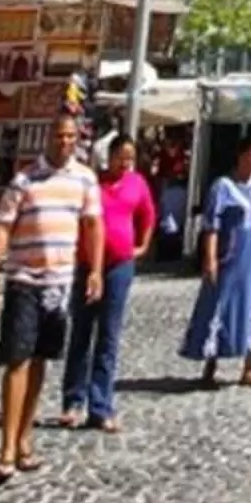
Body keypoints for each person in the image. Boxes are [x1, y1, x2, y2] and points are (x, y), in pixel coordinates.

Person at [0, 113, 103, 486]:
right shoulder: (25, 180)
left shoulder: (85, 179)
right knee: (17, 359)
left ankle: (24, 438)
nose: (65, 143)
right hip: (23, 278)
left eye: (71, 137)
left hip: (60, 281)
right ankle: (6, 450)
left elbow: (93, 225)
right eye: (59, 136)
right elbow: (3, 227)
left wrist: (95, 270)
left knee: (40, 361)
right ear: (48, 138)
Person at [57, 133, 156, 432]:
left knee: (108, 336)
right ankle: (73, 401)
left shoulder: (137, 183)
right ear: (109, 157)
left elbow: (148, 214)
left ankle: (101, 406)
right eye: (121, 157)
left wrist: (142, 246)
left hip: (119, 266)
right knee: (81, 332)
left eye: (130, 159)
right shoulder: (92, 183)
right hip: (87, 265)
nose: (125, 164)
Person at [181, 135, 251, 389]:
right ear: (241, 155)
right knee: (223, 304)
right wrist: (210, 258)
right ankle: (210, 365)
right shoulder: (224, 187)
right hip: (234, 253)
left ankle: (250, 367)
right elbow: (212, 226)